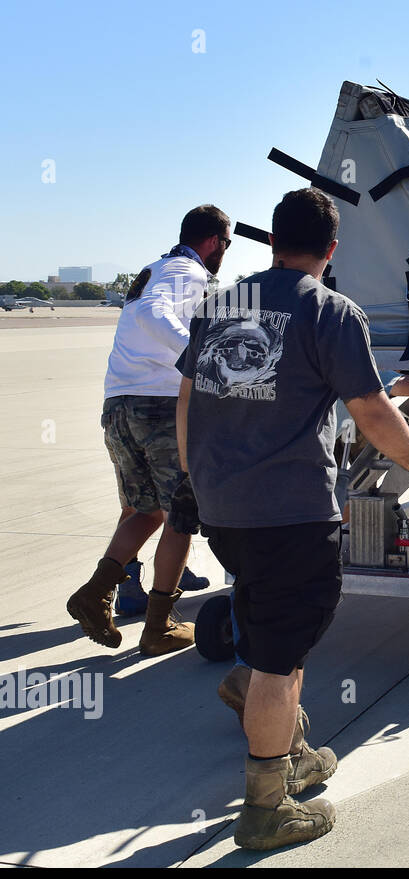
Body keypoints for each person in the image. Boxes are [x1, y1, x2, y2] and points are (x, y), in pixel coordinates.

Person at [178, 188, 409, 851]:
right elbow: (372, 411)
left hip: (225, 509)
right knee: (280, 654)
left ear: (272, 241)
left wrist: (192, 480)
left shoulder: (221, 305)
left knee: (275, 630)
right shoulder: (332, 312)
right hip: (291, 515)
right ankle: (267, 805)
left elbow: (187, 394)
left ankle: (284, 738)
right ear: (332, 250)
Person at [215, 346, 409, 726]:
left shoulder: (261, 367)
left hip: (237, 482)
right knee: (299, 595)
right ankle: (268, 694)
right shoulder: (340, 365)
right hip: (301, 488)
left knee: (253, 576)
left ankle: (246, 667)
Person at [66, 205, 231, 655]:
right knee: (180, 515)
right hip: (157, 407)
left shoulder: (154, 268)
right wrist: (199, 358)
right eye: (226, 245)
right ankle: (158, 627)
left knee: (145, 511)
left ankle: (95, 593)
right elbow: (153, 316)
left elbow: (145, 315)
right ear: (214, 242)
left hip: (119, 403)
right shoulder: (187, 270)